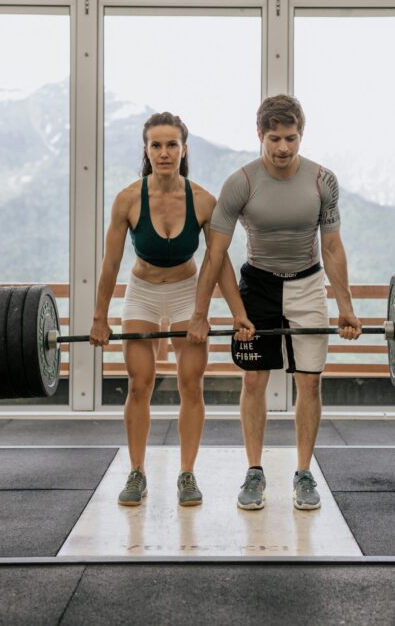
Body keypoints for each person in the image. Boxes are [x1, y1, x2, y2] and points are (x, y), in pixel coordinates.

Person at [187, 94, 361, 511]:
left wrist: (346, 307)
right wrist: (201, 314)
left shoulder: (323, 181)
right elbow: (215, 254)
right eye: (275, 139)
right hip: (258, 286)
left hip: (307, 283)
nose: (283, 147)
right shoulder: (241, 183)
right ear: (259, 135)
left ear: (301, 135)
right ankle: (254, 472)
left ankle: (303, 473)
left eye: (291, 138)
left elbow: (333, 247)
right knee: (253, 380)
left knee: (310, 382)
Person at [90, 112, 252, 508]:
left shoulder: (203, 201)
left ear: (184, 149)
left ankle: (186, 473)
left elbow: (220, 261)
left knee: (190, 384)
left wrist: (238, 314)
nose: (164, 153)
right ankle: (137, 472)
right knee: (139, 384)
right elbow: (110, 264)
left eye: (172, 145)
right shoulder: (128, 199)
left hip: (186, 291)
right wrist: (99, 318)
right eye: (156, 145)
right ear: (146, 150)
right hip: (143, 291)